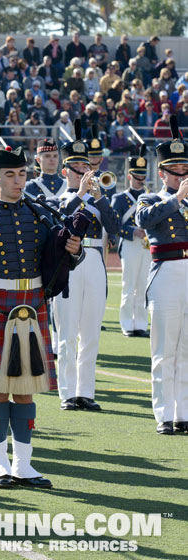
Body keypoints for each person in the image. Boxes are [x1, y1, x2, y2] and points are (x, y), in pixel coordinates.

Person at [0, 145, 82, 489]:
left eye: (22, 175)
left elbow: (60, 258)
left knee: (26, 391)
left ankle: (23, 464)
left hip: (33, 306)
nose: (18, 181)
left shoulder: (40, 215)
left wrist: (75, 251)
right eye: (10, 175)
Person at [53, 128, 119, 412]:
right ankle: (67, 392)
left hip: (94, 259)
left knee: (91, 331)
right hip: (67, 262)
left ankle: (86, 391)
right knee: (67, 331)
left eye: (86, 167)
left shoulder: (100, 198)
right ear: (65, 170)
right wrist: (81, 194)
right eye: (78, 168)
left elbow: (117, 230)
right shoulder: (58, 197)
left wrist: (100, 197)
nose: (84, 173)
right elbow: (59, 221)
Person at [136, 121, 188, 435]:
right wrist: (176, 199)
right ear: (163, 173)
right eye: (176, 170)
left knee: (186, 349)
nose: (182, 175)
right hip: (166, 272)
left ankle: (184, 412)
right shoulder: (150, 198)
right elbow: (144, 220)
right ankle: (164, 414)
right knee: (165, 349)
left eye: (185, 169)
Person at [112, 149, 151, 338]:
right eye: (137, 177)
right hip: (129, 244)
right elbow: (114, 225)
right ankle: (127, 324)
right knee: (129, 286)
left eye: (143, 177)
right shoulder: (119, 199)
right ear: (129, 176)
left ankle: (141, 324)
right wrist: (132, 231)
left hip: (147, 245)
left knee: (143, 286)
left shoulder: (150, 197)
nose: (140, 180)